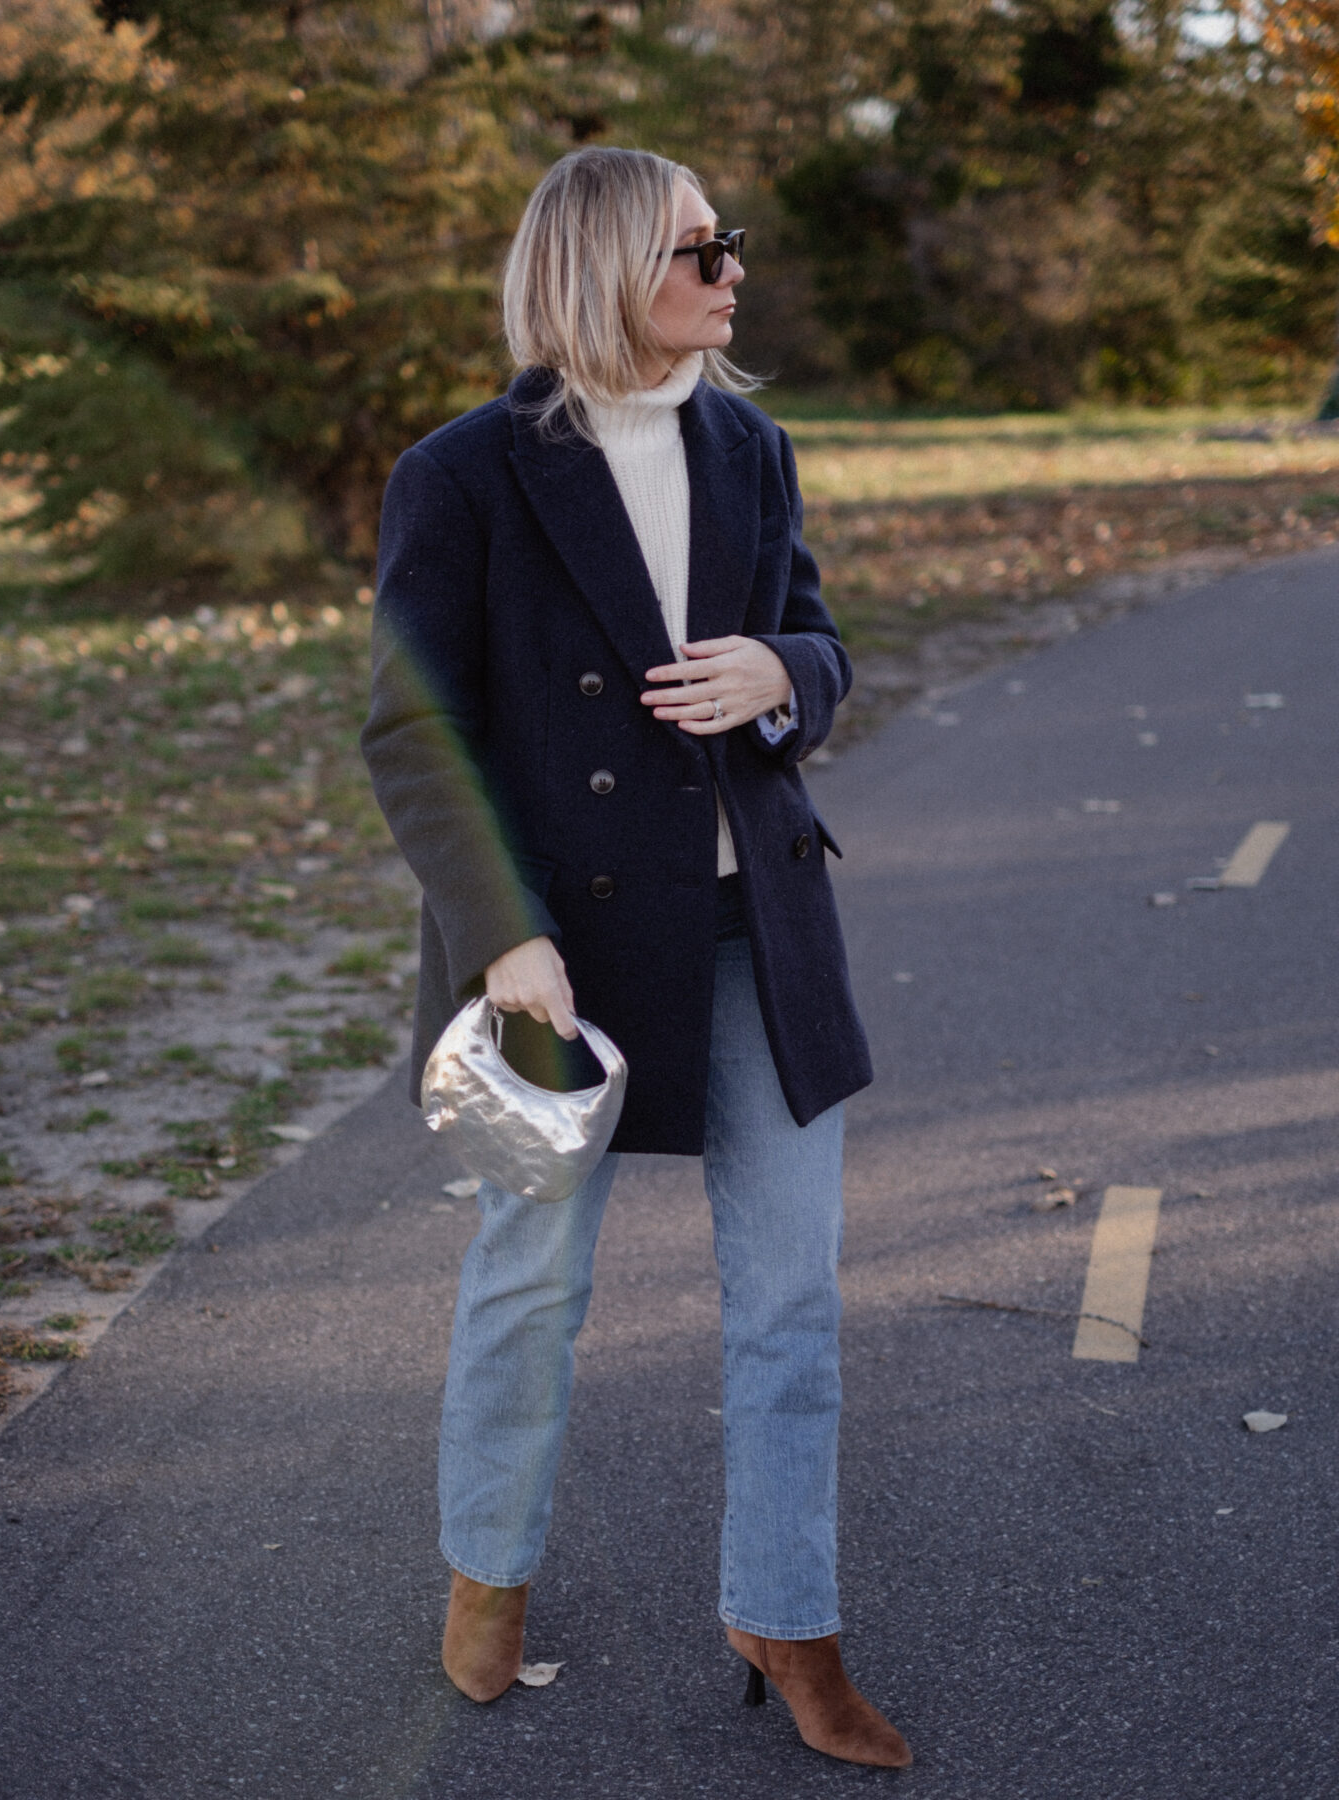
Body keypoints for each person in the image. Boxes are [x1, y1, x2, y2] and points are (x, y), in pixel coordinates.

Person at [360, 145, 911, 1770]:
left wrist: (782, 672)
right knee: (532, 1283)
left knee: (794, 1296)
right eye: (700, 247)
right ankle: (487, 1584)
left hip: (760, 925)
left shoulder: (752, 445)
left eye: (730, 244)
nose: (733, 270)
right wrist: (503, 937)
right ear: (608, 264)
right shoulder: (462, 473)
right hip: (562, 951)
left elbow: (821, 639)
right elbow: (412, 725)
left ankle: (786, 1616)